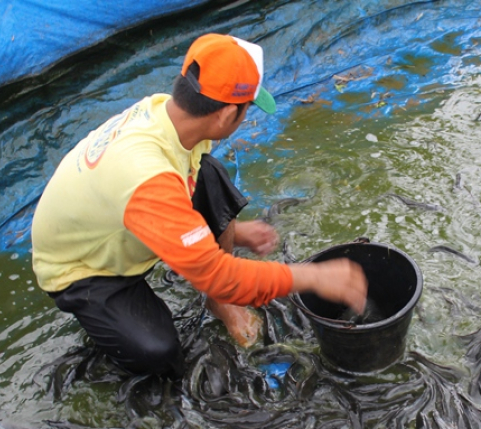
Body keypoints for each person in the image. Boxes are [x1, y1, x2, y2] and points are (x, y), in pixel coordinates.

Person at [31, 34, 367, 380]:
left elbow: (193, 187)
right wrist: (314, 276)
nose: (247, 117)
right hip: (84, 268)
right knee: (157, 354)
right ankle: (145, 309)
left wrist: (235, 233)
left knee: (208, 172)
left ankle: (217, 300)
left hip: (126, 222)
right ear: (225, 116)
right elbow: (221, 277)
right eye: (247, 109)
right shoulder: (146, 175)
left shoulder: (166, 112)